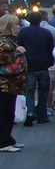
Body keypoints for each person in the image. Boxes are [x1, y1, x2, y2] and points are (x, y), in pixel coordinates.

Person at [16, 11, 54, 126]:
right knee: (43, 91)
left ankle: (30, 113)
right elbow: (50, 50)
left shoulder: (23, 32)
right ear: (40, 20)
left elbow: (20, 47)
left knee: (29, 91)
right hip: (44, 65)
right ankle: (42, 115)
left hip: (29, 65)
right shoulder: (47, 33)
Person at [0, 14, 28, 152]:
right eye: (16, 24)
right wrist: (18, 52)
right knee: (4, 113)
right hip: (5, 83)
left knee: (8, 112)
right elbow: (4, 60)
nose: (18, 27)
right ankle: (3, 142)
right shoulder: (4, 42)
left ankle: (8, 139)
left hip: (11, 84)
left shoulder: (9, 40)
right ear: (10, 26)